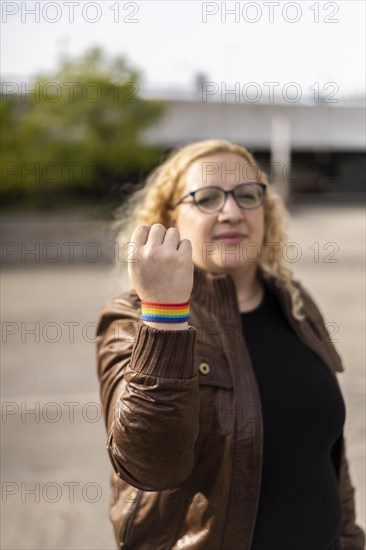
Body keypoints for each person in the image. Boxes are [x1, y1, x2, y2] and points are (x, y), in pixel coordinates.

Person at [96, 139, 365, 550]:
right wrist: (165, 313)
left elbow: (328, 454)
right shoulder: (135, 318)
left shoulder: (292, 300)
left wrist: (349, 537)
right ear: (171, 219)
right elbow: (151, 466)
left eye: (247, 195)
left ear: (264, 210)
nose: (233, 211)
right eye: (206, 198)